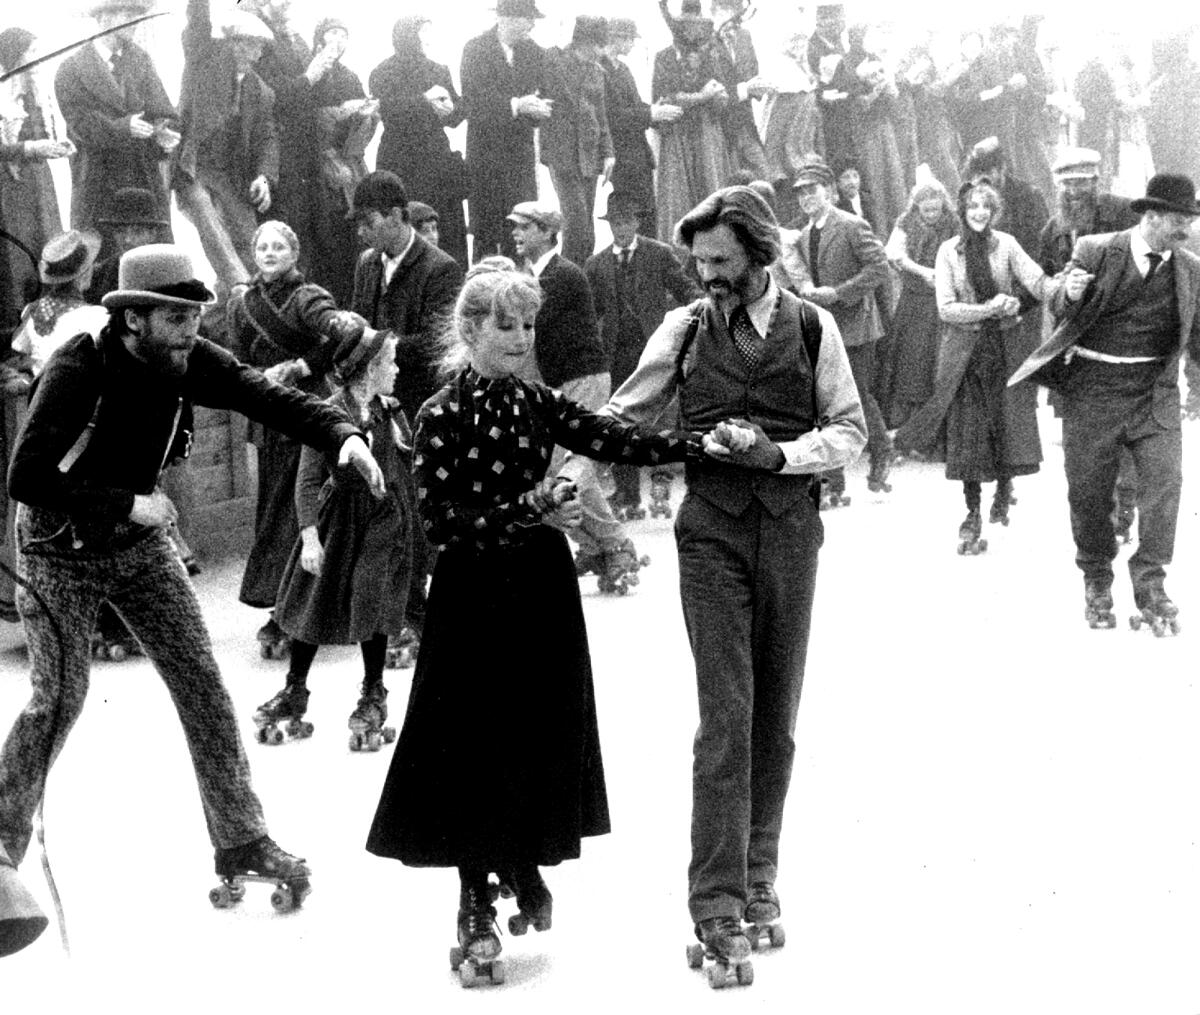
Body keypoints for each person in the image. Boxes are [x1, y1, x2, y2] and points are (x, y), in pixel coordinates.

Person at [0, 244, 387, 951]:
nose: (189, 329)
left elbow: (268, 396)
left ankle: (241, 839)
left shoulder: (188, 359)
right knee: (62, 695)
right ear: (133, 318)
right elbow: (25, 476)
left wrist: (343, 436)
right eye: (174, 316)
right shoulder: (79, 366)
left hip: (138, 546)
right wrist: (126, 502)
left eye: (194, 314)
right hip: (60, 546)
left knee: (204, 685)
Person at [364, 263, 709, 982]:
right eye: (506, 325)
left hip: (541, 589)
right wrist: (534, 506)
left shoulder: (536, 401)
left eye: (528, 325)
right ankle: (472, 896)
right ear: (468, 330)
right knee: (469, 746)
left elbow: (614, 438)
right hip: (471, 593)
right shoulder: (439, 416)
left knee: (533, 733)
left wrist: (698, 445)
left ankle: (519, 860)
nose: (521, 338)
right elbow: (441, 524)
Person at [563, 184, 866, 972]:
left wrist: (781, 455)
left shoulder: (811, 326)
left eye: (723, 262)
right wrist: (568, 471)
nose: (709, 277)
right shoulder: (685, 327)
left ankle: (760, 874)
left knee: (777, 716)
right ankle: (717, 903)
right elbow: (625, 411)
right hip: (711, 535)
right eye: (700, 263)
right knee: (726, 716)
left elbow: (849, 429)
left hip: (793, 532)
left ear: (760, 255)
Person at [1009, 173, 1200, 632]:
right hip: (1094, 390)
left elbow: (1198, 335)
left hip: (1154, 392)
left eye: (1189, 222)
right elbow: (1055, 295)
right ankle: (1096, 577)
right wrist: (1067, 292)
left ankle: (1151, 581)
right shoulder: (1097, 250)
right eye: (1179, 221)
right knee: (1090, 494)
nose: (1186, 230)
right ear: (1151, 217)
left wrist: (1195, 386)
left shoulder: (1190, 267)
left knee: (1164, 486)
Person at [254, 326, 413, 750]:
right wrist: (310, 538)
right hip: (337, 517)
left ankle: (373, 692)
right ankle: (295, 690)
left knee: (370, 592)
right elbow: (307, 482)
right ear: (367, 369)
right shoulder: (325, 413)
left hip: (383, 520)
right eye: (390, 363)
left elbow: (408, 467)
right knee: (313, 597)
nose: (397, 369)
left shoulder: (391, 412)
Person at [895, 182, 1055, 552]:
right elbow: (946, 308)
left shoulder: (1008, 245)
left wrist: (1046, 293)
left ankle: (1003, 487)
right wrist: (990, 309)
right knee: (969, 435)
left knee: (1004, 426)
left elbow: (1036, 282)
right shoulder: (949, 251)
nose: (979, 212)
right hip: (964, 355)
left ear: (993, 210)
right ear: (963, 211)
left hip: (1003, 350)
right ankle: (972, 513)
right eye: (973, 206)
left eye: (986, 206)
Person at [227, 219, 360, 659]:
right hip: (269, 418)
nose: (268, 253)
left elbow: (334, 334)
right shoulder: (243, 302)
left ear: (294, 254)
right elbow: (238, 357)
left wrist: (301, 367)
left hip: (306, 413)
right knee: (273, 511)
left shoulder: (308, 298)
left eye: (278, 247)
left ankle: (301, 608)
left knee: (301, 509)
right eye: (262, 246)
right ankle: (285, 606)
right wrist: (254, 381)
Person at [350, 170, 464, 664]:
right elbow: (360, 323)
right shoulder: (366, 264)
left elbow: (441, 345)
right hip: (376, 408)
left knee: (421, 517)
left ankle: (424, 621)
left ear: (396, 216)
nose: (361, 232)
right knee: (388, 514)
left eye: (369, 221)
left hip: (421, 408)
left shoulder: (441, 268)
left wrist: (378, 345)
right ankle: (401, 615)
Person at [507, 199, 646, 593]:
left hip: (583, 378)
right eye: (515, 227)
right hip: (561, 383)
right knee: (557, 472)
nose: (516, 233)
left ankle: (614, 543)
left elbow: (530, 322)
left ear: (548, 233)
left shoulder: (563, 275)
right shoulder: (532, 273)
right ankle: (596, 546)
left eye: (525, 227)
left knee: (564, 470)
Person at [584, 192, 700, 519]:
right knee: (621, 423)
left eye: (626, 221)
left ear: (636, 222)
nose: (621, 228)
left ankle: (661, 486)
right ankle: (627, 493)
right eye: (616, 222)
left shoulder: (659, 254)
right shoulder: (597, 264)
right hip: (617, 354)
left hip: (656, 349)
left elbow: (687, 292)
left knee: (662, 417)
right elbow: (590, 312)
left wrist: (691, 325)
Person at [791, 157, 892, 500]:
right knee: (824, 402)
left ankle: (882, 453)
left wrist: (841, 292)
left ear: (830, 192)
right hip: (824, 327)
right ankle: (834, 479)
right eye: (801, 193)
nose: (806, 198)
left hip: (857, 326)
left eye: (812, 190)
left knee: (858, 396)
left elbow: (879, 266)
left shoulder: (851, 225)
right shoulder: (805, 235)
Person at [174, 0, 278, 296]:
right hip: (193, 169)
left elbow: (267, 137)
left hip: (230, 176)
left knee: (251, 240)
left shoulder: (261, 91)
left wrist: (264, 178)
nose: (255, 54)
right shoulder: (202, 60)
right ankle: (242, 289)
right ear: (231, 43)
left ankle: (252, 303)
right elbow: (197, 24)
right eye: (248, 45)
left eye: (258, 47)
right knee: (209, 222)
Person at [54, 0, 179, 240]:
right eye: (126, 13)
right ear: (103, 18)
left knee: (152, 256)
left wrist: (164, 131)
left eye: (138, 14)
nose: (135, 21)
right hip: (99, 181)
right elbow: (80, 125)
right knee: (105, 258)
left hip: (143, 177)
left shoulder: (141, 59)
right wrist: (123, 128)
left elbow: (162, 108)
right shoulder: (70, 70)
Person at [371, 15, 468, 267]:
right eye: (423, 31)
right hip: (401, 159)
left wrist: (451, 109)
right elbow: (388, 110)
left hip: (437, 157)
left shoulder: (438, 69)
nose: (427, 38)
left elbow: (456, 112)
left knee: (446, 228)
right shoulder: (383, 71)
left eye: (429, 31)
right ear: (407, 35)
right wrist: (424, 100)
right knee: (406, 223)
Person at [460, 0, 549, 263]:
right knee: (486, 235)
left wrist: (539, 109)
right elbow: (472, 102)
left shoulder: (534, 52)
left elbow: (541, 92)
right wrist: (516, 105)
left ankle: (518, 293)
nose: (531, 26)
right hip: (485, 156)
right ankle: (481, 296)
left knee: (521, 229)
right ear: (507, 18)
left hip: (519, 157)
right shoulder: (475, 49)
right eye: (527, 19)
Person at [0, 26, 72, 340]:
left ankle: (47, 325)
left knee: (47, 244)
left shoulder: (35, 92)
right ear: (13, 57)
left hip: (37, 184)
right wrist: (29, 149)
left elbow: (42, 135)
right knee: (16, 254)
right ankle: (14, 332)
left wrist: (57, 145)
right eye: (30, 53)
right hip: (7, 187)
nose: (37, 60)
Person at [307, 18, 378, 307]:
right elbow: (307, 117)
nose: (337, 40)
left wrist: (365, 114)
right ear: (320, 38)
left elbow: (363, 132)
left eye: (342, 35)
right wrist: (338, 113)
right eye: (332, 33)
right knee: (327, 234)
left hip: (349, 160)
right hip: (320, 162)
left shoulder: (349, 75)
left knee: (355, 231)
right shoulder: (311, 70)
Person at [652, 1, 734, 247]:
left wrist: (717, 96)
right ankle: (681, 254)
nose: (691, 32)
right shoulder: (664, 57)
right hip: (677, 136)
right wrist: (702, 97)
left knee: (711, 191)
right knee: (678, 198)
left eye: (696, 26)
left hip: (707, 132)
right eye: (686, 26)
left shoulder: (711, 55)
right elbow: (665, 98)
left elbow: (721, 95)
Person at [540, 15, 615, 269]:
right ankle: (566, 281)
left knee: (587, 229)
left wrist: (608, 153)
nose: (601, 51)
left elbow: (601, 114)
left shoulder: (597, 71)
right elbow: (547, 57)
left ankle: (581, 279)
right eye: (598, 44)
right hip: (562, 156)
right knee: (576, 226)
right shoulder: (555, 61)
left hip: (589, 156)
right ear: (582, 41)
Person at [884, 179, 958, 428]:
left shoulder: (953, 223)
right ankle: (906, 424)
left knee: (935, 360)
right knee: (910, 360)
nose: (931, 215)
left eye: (936, 210)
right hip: (914, 300)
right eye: (926, 210)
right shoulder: (906, 222)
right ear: (917, 208)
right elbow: (894, 254)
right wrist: (923, 272)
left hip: (943, 300)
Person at [600, 18, 671, 236]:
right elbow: (611, 117)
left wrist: (654, 110)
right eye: (630, 39)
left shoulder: (622, 69)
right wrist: (650, 114)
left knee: (646, 210)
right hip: (620, 154)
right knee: (631, 211)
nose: (631, 45)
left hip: (638, 153)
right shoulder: (600, 70)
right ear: (617, 39)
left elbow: (635, 104)